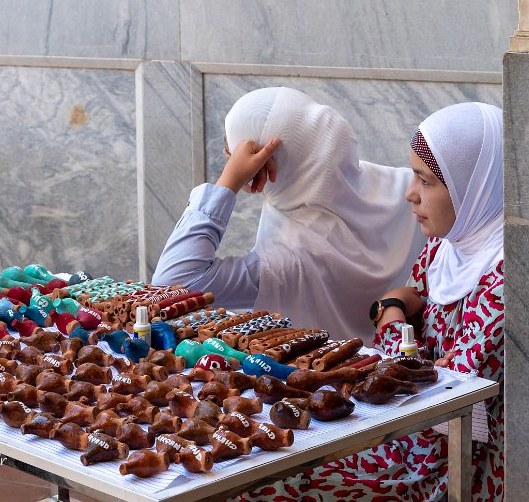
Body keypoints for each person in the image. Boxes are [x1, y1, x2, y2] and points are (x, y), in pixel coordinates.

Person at [236, 102, 505, 501]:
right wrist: (395, 308)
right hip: (403, 429)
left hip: (446, 461)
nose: (410, 195)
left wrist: (392, 315)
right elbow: (411, 304)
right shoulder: (448, 245)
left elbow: (440, 381)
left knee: (277, 487)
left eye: (426, 181)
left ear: (474, 186)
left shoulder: (503, 276)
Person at [152, 87, 425, 341]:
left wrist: (228, 183)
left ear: (261, 166)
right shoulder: (411, 190)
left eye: (232, 155)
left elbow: (172, 282)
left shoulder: (286, 263)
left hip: (328, 386)